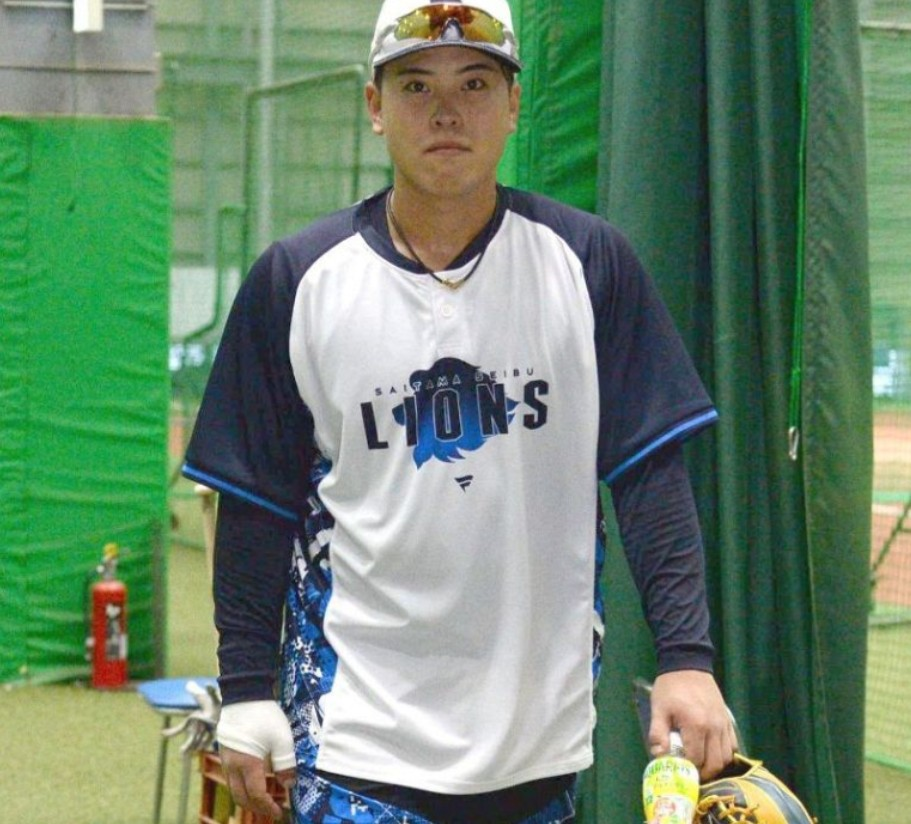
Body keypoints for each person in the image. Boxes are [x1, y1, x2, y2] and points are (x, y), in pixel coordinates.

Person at [182, 2, 738, 822]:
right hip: (355, 742)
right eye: (416, 86)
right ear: (374, 106)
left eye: (475, 84)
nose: (446, 112)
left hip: (536, 750)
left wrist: (687, 658)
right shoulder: (298, 280)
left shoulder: (589, 265)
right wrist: (246, 688)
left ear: (514, 104)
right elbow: (255, 507)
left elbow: (648, 477)